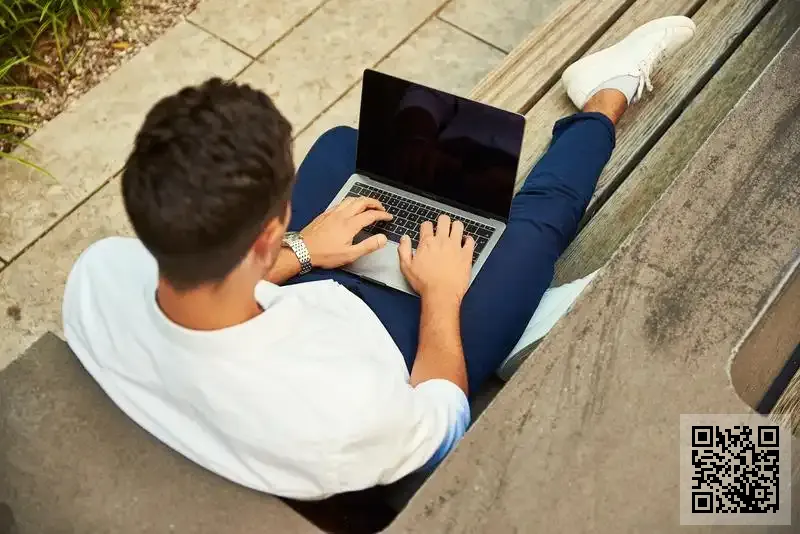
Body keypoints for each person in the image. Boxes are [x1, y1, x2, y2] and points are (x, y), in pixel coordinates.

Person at [62, 17, 695, 499]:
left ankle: (478, 240)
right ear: (262, 235)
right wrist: (442, 295)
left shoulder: (99, 276)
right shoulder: (346, 416)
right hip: (401, 349)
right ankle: (606, 95)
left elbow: (207, 297)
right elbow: (443, 423)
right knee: (537, 222)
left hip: (298, 297)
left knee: (344, 148)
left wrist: (301, 249)